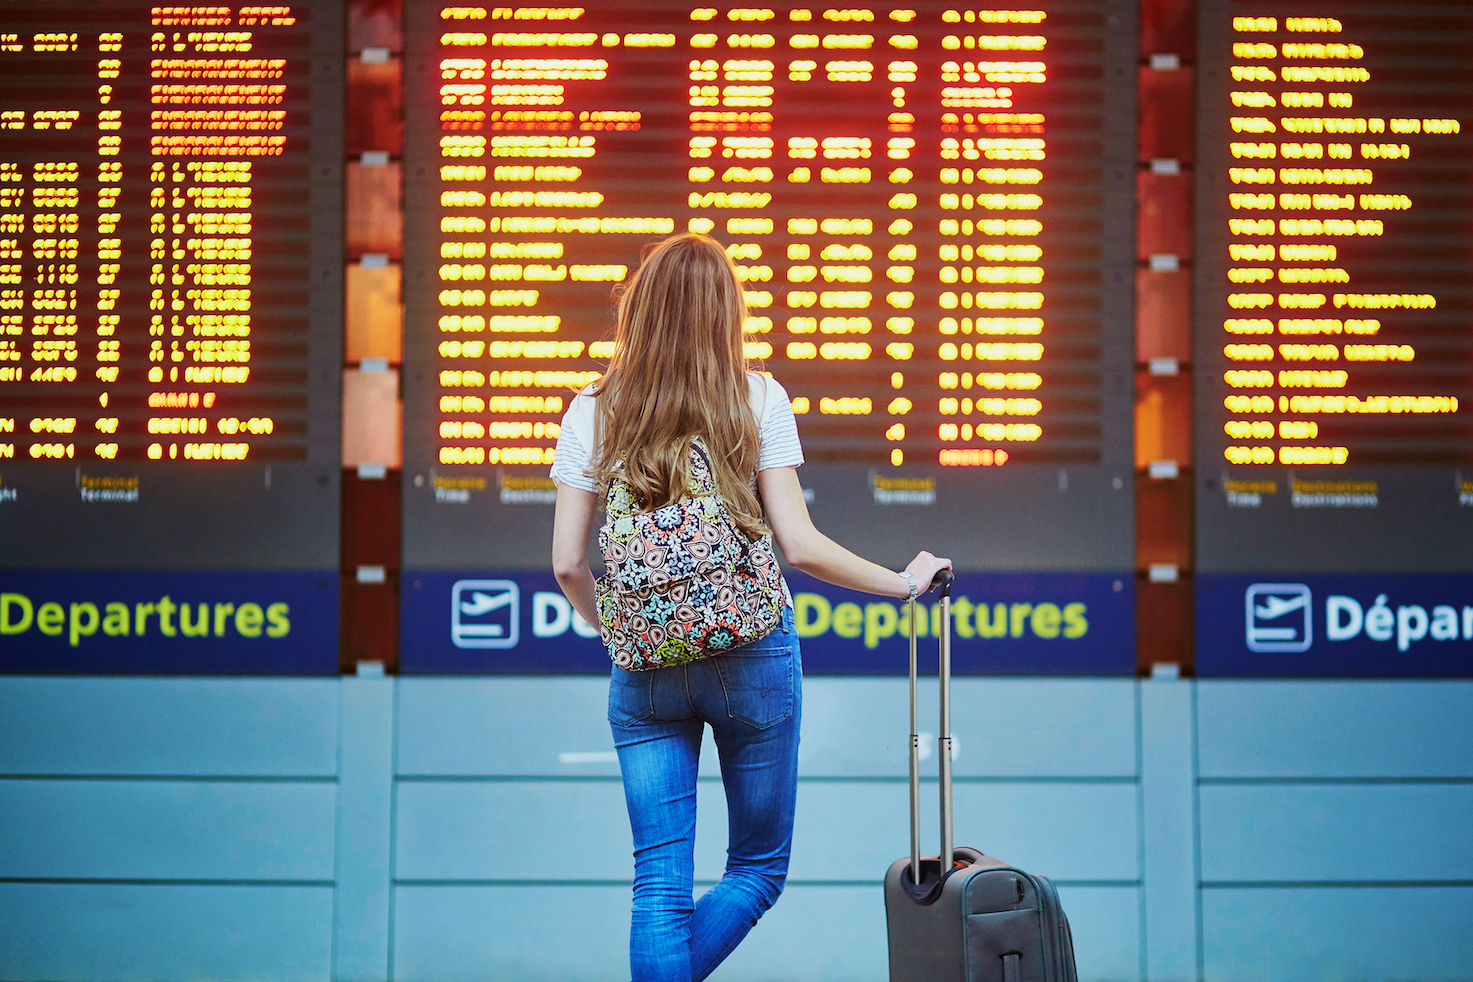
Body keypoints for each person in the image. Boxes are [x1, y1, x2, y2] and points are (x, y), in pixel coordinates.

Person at [550, 233, 951, 982]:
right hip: (752, 654)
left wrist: (618, 631)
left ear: (638, 310)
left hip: (644, 670)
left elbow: (569, 564)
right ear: (725, 312)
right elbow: (799, 545)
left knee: (658, 884)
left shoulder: (592, 411)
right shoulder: (757, 398)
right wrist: (903, 583)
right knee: (757, 868)